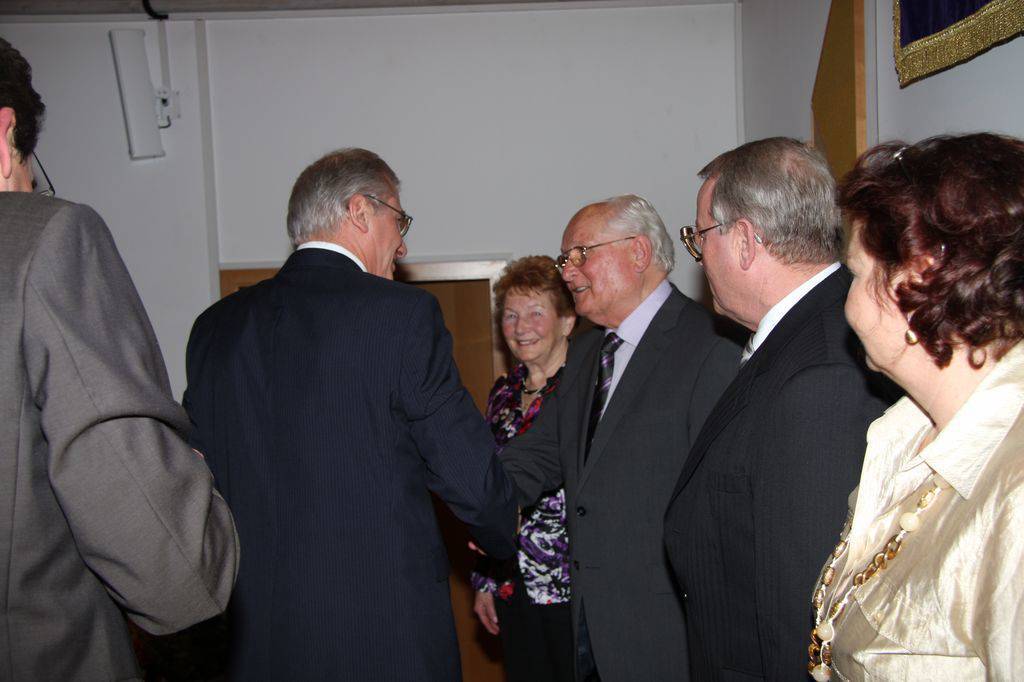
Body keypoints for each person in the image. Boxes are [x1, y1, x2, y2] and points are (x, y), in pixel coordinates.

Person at [183, 147, 518, 681]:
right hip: (381, 636)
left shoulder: (214, 328)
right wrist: (501, 532)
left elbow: (195, 476)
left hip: (255, 640)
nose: (402, 243)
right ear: (361, 211)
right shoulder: (401, 315)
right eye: (399, 220)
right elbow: (467, 473)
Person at [0, 37, 239, 680]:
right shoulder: (45, 238)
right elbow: (167, 562)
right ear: (4, 135)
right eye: (30, 170)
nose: (32, 188)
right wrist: (195, 493)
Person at [663, 137, 894, 681]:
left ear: (744, 241)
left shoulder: (822, 374)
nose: (700, 256)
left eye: (700, 237)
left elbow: (805, 614)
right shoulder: (799, 332)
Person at [806, 133, 1024, 681]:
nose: (846, 301)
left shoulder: (1016, 492)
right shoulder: (903, 435)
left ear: (917, 276)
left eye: (856, 274)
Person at [499, 195, 740, 682]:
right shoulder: (586, 351)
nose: (567, 272)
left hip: (666, 633)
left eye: (580, 254)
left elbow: (720, 507)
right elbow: (536, 456)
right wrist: (468, 488)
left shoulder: (711, 345)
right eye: (564, 259)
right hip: (587, 625)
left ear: (638, 252)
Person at [470, 255, 577, 682]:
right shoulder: (502, 393)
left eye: (535, 312)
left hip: (573, 586)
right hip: (513, 582)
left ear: (567, 321)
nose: (520, 327)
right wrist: (485, 582)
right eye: (511, 315)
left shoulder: (586, 390)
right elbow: (488, 484)